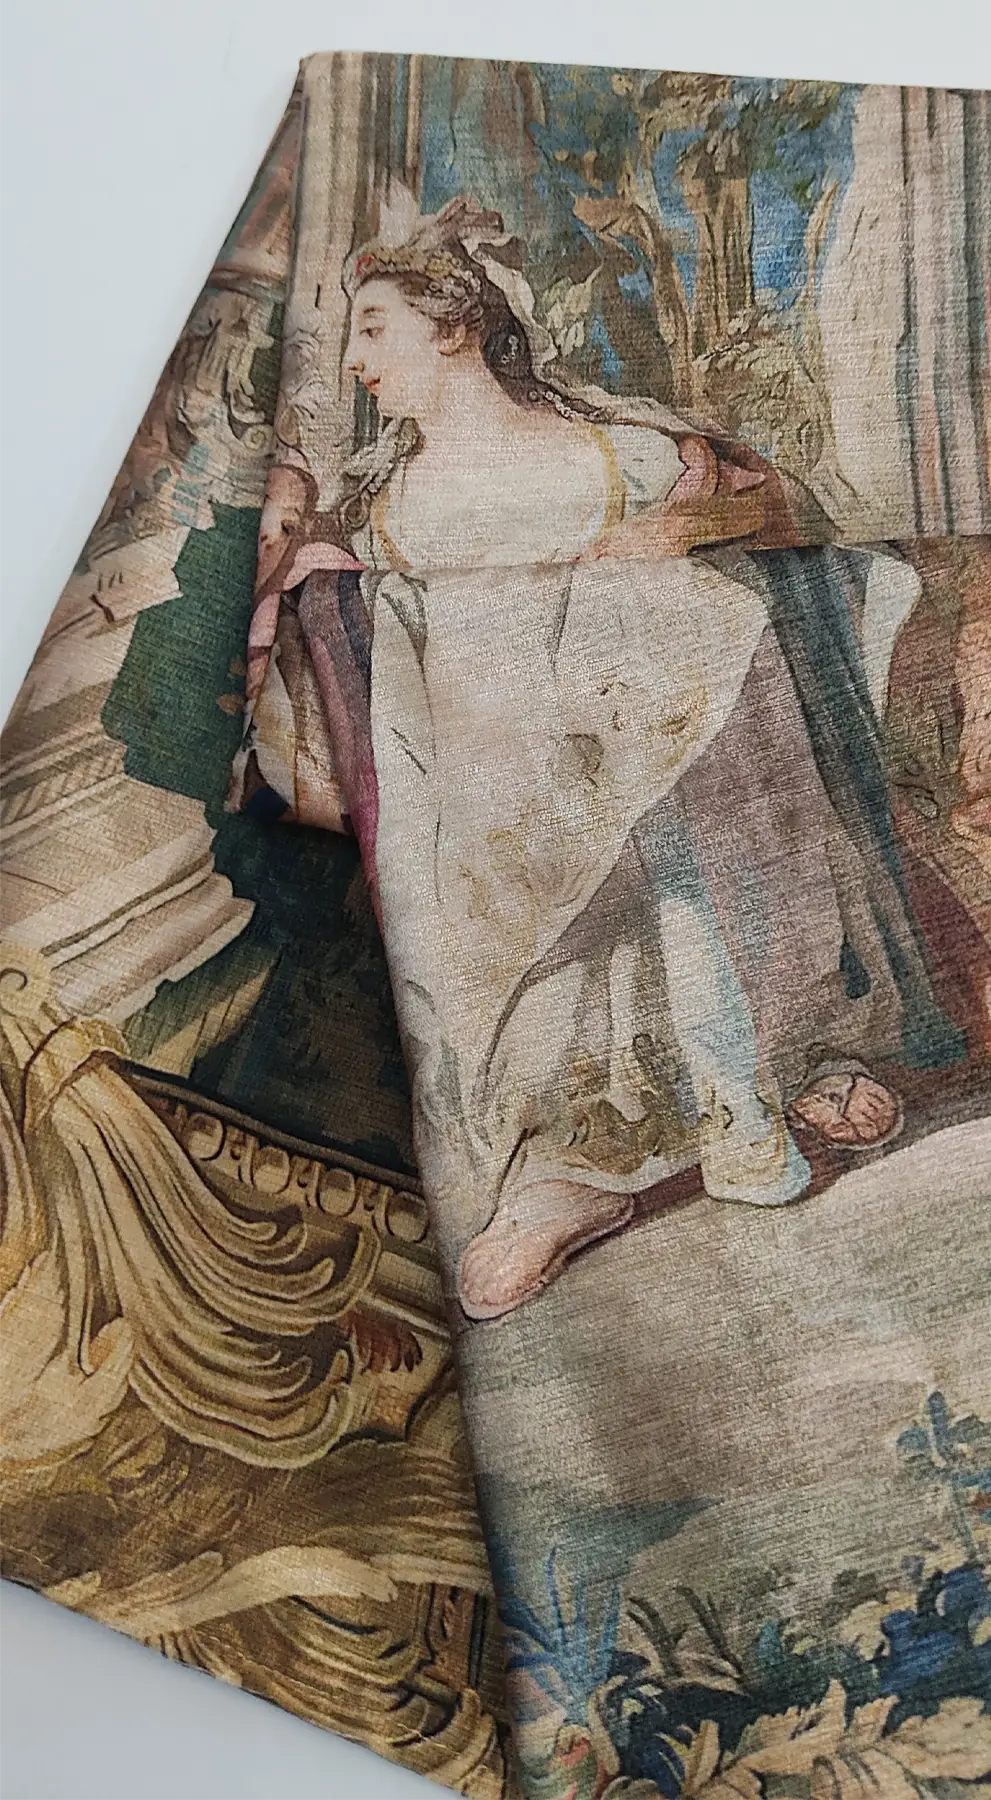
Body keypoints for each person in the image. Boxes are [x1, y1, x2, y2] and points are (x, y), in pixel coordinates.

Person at [295, 198, 962, 1321]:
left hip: (654, 761)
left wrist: (668, 536)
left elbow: (759, 521)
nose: (355, 360)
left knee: (680, 825)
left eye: (372, 327)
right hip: (503, 789)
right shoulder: (389, 509)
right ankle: (568, 1174)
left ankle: (762, 1088)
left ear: (453, 327)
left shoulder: (618, 452)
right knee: (535, 932)